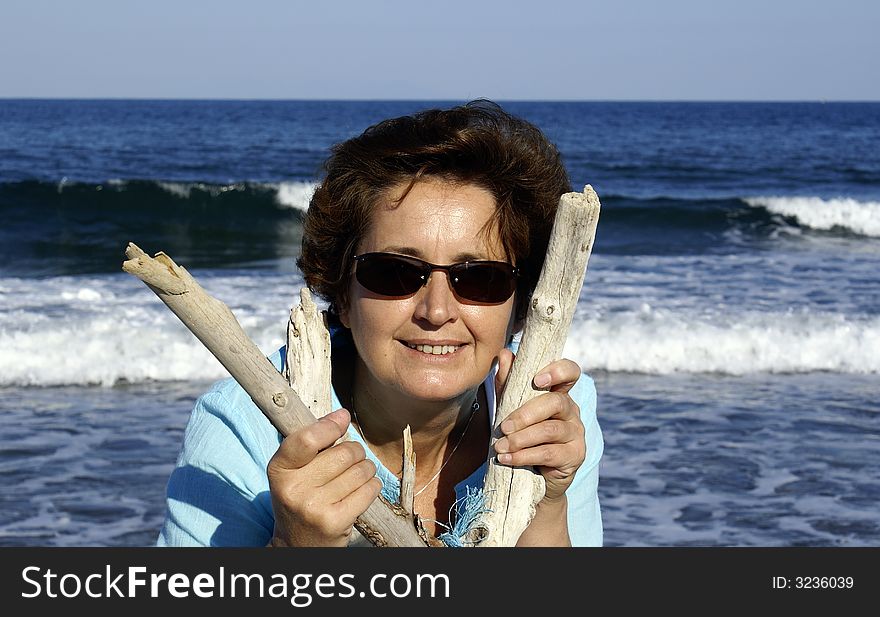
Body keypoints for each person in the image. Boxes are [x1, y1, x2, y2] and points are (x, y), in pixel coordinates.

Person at [157, 99, 604, 547]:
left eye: (481, 278)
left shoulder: (552, 417)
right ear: (342, 295)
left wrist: (547, 505)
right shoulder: (244, 422)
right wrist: (296, 546)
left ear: (520, 306)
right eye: (395, 272)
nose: (436, 311)